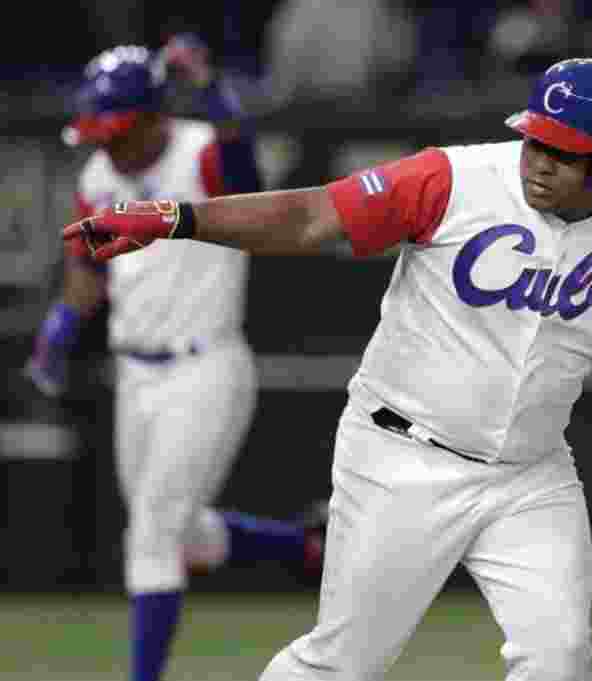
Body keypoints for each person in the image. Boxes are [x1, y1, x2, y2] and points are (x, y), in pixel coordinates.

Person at [64, 57, 592, 681]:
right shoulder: (453, 179)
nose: (538, 159)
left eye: (564, 152)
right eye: (535, 138)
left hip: (528, 475)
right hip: (399, 453)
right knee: (343, 661)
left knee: (560, 654)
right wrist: (175, 217)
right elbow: (312, 217)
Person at [26, 36, 327, 681]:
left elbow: (250, 186)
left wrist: (214, 89)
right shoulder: (99, 174)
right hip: (134, 372)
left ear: (154, 116)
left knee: (152, 536)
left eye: (119, 129)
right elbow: (89, 265)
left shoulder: (204, 151)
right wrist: (59, 324)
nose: (107, 142)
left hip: (205, 367)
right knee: (181, 535)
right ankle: (307, 547)